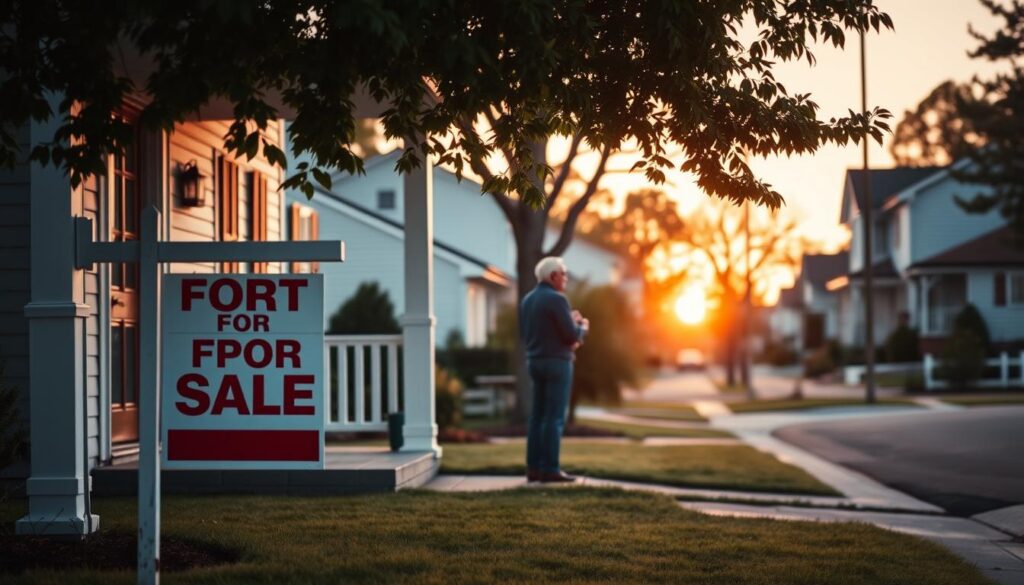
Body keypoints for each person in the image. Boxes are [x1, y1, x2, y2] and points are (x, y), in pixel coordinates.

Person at [520, 256, 589, 483]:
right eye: (564, 273)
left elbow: (535, 332)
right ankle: (550, 469)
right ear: (553, 276)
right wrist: (581, 326)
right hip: (557, 364)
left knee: (537, 417)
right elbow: (571, 336)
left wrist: (568, 322)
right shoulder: (557, 299)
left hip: (534, 362)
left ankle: (533, 468)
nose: (566, 278)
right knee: (554, 418)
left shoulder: (527, 300)